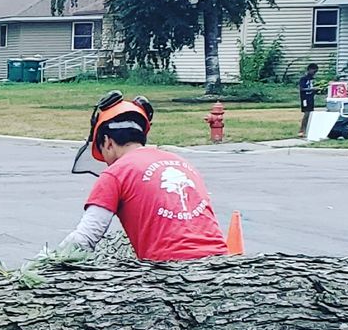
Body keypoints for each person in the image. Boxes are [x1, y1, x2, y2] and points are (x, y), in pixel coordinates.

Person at [62, 94, 229, 261]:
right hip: (219, 262)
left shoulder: (116, 172)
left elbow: (85, 238)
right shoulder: (182, 164)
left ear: (107, 142)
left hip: (170, 266)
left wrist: (54, 259)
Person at [298, 62, 319, 134]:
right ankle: (302, 129)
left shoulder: (313, 79)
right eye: (314, 71)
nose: (314, 73)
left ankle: (308, 129)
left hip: (311, 98)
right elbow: (301, 89)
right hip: (305, 98)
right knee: (306, 113)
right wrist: (312, 89)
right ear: (309, 69)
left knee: (310, 114)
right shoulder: (304, 79)